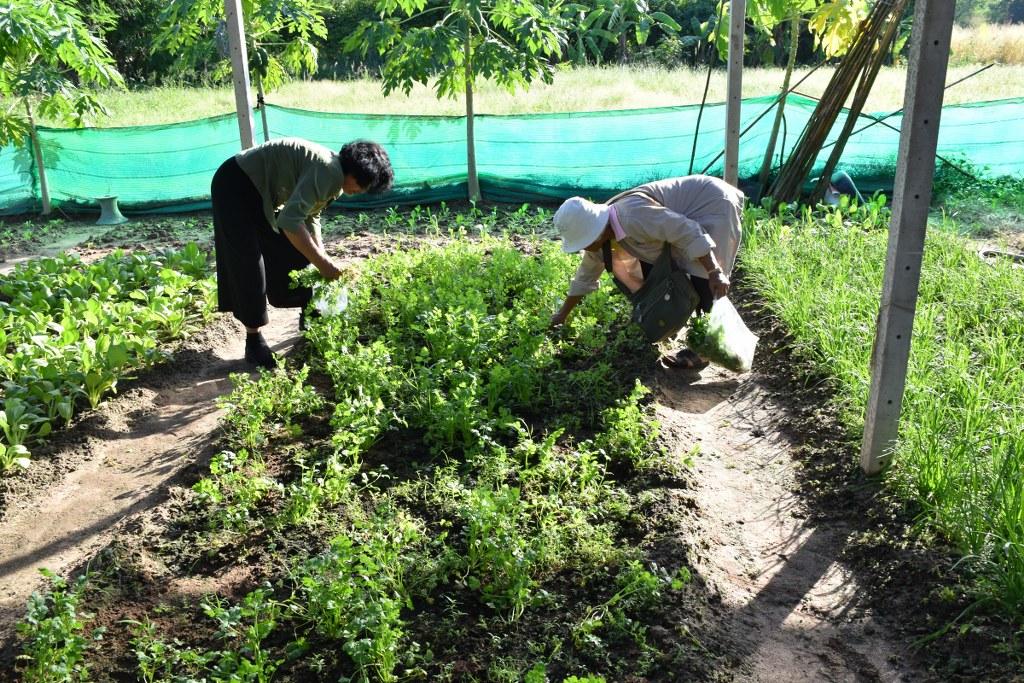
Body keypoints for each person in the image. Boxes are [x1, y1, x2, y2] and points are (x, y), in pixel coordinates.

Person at [211, 137, 394, 368]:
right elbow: (290, 221)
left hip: (259, 192)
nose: (361, 191)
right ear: (354, 173)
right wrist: (324, 265)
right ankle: (254, 342)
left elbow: (310, 215)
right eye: (364, 184)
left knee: (300, 253)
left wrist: (322, 257)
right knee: (248, 262)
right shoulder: (329, 172)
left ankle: (311, 316)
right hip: (235, 184)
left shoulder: (336, 177)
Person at [550, 175, 744, 370]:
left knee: (704, 280)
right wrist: (562, 315)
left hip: (712, 204)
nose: (586, 248)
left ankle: (714, 350)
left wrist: (714, 270)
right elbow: (586, 276)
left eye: (585, 242)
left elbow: (688, 231)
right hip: (682, 219)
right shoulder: (600, 241)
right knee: (661, 272)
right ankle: (684, 322)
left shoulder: (633, 216)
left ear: (596, 232)